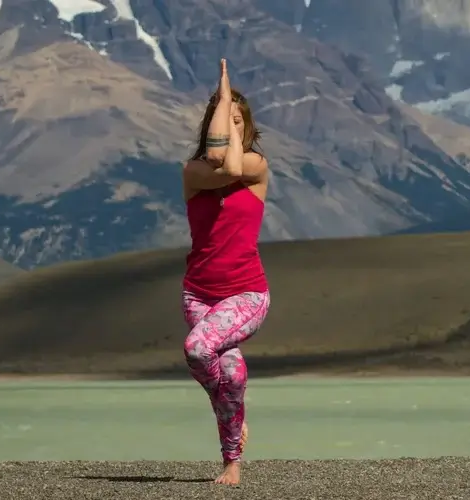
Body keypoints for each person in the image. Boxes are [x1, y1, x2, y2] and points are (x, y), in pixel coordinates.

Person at [180, 58, 271, 486]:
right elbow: (216, 160)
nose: (231, 128)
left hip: (247, 295)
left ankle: (228, 416)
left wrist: (226, 96)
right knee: (231, 374)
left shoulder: (255, 168)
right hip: (199, 293)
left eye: (239, 121)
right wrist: (222, 97)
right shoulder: (193, 173)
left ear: (247, 128)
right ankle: (232, 462)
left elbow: (231, 165)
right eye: (223, 119)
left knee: (199, 350)